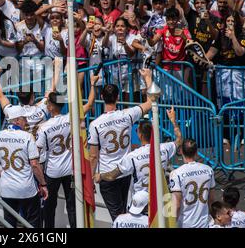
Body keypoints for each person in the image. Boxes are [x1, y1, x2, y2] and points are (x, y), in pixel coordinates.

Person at [88, 68, 153, 221]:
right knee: (123, 213)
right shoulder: (128, 115)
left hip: (107, 175)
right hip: (125, 172)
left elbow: (93, 156)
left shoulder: (96, 124)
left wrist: (91, 179)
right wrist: (148, 78)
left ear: (102, 97)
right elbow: (151, 102)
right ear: (118, 97)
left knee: (118, 218)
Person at [36, 74, 97, 228]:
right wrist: (92, 84)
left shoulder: (44, 127)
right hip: (70, 170)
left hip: (52, 171)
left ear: (50, 106)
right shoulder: (72, 117)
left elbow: (37, 151)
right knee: (72, 206)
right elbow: (89, 104)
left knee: (49, 207)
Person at [0, 106, 48, 228]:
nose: (26, 122)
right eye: (24, 119)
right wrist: (43, 184)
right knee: (32, 224)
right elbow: (34, 165)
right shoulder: (27, 136)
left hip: (7, 189)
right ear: (17, 121)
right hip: (27, 189)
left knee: (9, 224)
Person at [94, 107, 182, 195]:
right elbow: (179, 140)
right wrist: (173, 121)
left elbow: (112, 175)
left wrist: (100, 176)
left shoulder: (132, 156)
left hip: (140, 202)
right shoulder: (164, 149)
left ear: (140, 135)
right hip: (159, 198)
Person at [170, 138, 216, 228]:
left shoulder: (176, 173)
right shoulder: (208, 170)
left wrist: (171, 224)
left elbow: (177, 204)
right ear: (196, 152)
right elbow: (211, 199)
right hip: (204, 223)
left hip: (185, 224)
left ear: (181, 151)